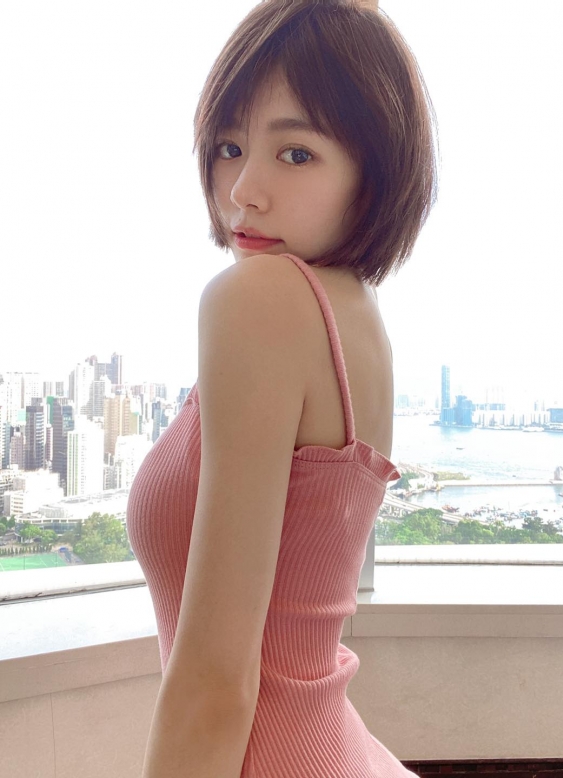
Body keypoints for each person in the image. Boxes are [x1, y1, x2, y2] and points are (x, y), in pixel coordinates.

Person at [125, 1, 437, 775]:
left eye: (296, 153)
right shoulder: (356, 315)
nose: (244, 191)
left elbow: (216, 685)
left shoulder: (258, 300)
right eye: (229, 147)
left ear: (375, 172)